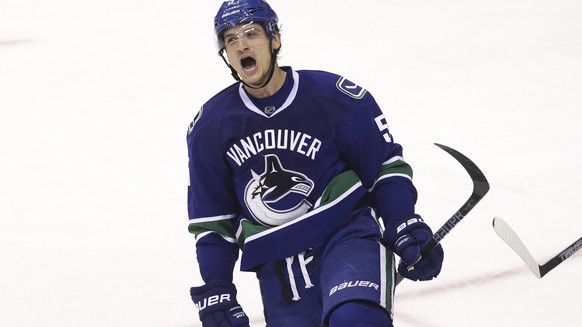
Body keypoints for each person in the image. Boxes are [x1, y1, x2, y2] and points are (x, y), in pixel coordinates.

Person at [186, 1, 444, 326]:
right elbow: (213, 222)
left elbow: (383, 167)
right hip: (278, 267)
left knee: (354, 319)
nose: (242, 45)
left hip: (346, 236)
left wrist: (402, 221)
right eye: (231, 39)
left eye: (251, 33)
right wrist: (216, 287)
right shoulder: (211, 128)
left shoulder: (333, 97)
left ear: (275, 38)